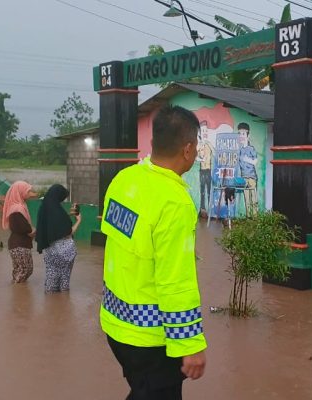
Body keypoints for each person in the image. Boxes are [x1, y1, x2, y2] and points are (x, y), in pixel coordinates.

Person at [100, 105, 207, 400]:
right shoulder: (174, 202)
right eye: (196, 146)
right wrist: (190, 344)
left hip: (115, 325)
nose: (196, 153)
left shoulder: (124, 180)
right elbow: (176, 279)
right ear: (187, 149)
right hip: (151, 339)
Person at [35, 184, 81, 292]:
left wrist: (66, 217)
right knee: (64, 283)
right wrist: (78, 220)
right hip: (65, 252)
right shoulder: (59, 212)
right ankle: (63, 304)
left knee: (51, 282)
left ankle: (50, 305)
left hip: (50, 252)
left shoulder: (43, 209)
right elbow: (68, 232)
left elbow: (50, 226)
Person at [1, 181, 38, 283]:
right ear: (20, 191)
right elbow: (20, 227)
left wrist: (31, 229)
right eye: (27, 190)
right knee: (24, 271)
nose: (29, 193)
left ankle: (17, 294)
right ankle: (18, 295)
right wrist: (32, 230)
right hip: (19, 245)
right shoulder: (17, 209)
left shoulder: (18, 206)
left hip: (19, 244)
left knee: (22, 271)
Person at [237, 122, 258, 216]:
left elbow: (255, 161)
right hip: (243, 177)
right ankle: (248, 217)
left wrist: (247, 159)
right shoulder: (240, 150)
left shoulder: (251, 148)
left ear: (248, 135)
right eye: (239, 134)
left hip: (251, 177)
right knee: (246, 198)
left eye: (243, 134)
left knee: (253, 197)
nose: (241, 136)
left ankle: (255, 217)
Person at [196, 121, 214, 218]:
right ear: (200, 132)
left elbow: (215, 154)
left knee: (209, 191)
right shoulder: (199, 145)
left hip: (209, 170)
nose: (205, 132)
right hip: (202, 171)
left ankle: (210, 211)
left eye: (206, 130)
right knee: (202, 191)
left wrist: (210, 145)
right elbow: (195, 157)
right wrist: (200, 159)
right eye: (203, 130)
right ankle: (202, 210)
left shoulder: (209, 144)